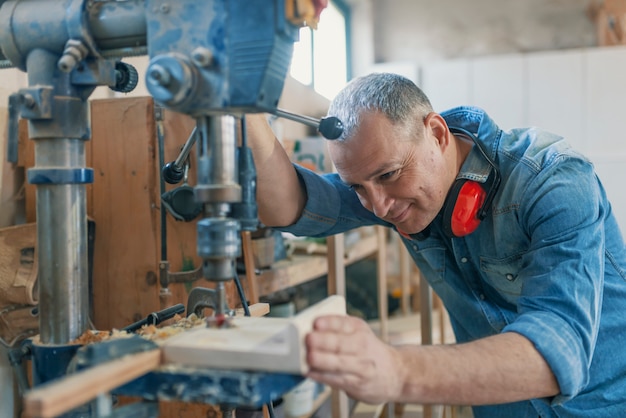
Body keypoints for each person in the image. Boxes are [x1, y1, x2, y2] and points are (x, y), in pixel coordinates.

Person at [246, 72, 626, 417]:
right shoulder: (388, 189)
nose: (378, 206)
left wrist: (396, 370)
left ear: (438, 134)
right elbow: (290, 204)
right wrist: (247, 116)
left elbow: (561, 351)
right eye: (357, 188)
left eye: (389, 174)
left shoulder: (554, 181)